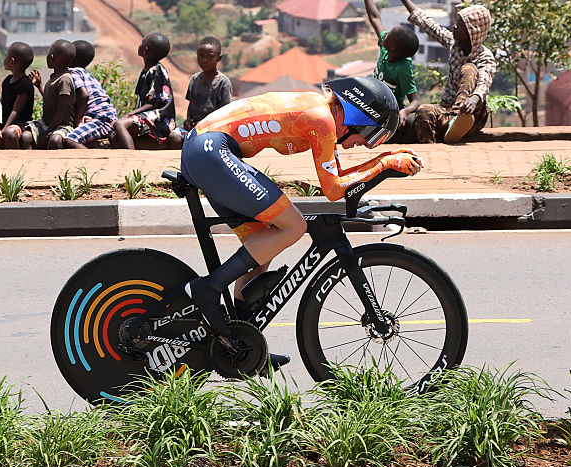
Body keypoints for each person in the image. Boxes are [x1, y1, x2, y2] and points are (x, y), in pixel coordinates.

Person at [180, 76, 423, 357]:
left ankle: (241, 341)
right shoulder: (321, 119)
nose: (364, 144)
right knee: (293, 226)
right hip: (210, 151)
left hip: (207, 150)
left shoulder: (323, 113)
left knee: (264, 242)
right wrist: (384, 163)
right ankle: (207, 288)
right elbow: (333, 190)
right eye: (369, 134)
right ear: (357, 113)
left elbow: (339, 178)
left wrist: (387, 160)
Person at [387, 0, 496, 144]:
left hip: (472, 113)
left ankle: (458, 120)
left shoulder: (485, 57)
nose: (453, 26)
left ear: (471, 31)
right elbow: (427, 23)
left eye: (459, 25)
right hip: (447, 109)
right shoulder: (453, 43)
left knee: (468, 69)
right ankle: (431, 153)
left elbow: (484, 83)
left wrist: (473, 101)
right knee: (423, 111)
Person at [354, 0, 421, 138]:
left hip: (386, 114)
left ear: (395, 51)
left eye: (388, 36)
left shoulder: (403, 68)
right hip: (369, 103)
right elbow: (375, 17)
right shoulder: (386, 49)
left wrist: (404, 112)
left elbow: (415, 101)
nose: (384, 35)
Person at [110, 32, 175, 149]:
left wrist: (130, 114)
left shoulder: (156, 70)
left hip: (159, 118)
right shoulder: (147, 70)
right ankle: (121, 161)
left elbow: (156, 102)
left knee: (119, 124)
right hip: (147, 116)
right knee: (113, 136)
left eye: (142, 43)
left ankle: (131, 157)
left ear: (145, 49)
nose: (139, 45)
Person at [171, 35, 232, 149]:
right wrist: (188, 121)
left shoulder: (223, 83)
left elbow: (225, 114)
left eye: (210, 57)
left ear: (219, 58)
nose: (205, 60)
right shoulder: (195, 79)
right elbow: (191, 104)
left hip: (213, 130)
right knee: (174, 138)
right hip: (193, 128)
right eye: (201, 56)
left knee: (201, 143)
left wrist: (205, 125)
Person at [55, 40, 118, 149]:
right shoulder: (87, 74)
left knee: (70, 140)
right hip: (105, 116)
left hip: (101, 120)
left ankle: (90, 161)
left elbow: (84, 96)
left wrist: (76, 121)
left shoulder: (73, 72)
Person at [20, 40, 75, 149]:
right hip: (46, 123)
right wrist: (39, 86)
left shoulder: (65, 79)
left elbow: (62, 111)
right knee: (25, 137)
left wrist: (49, 131)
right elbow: (50, 100)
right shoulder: (55, 77)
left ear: (52, 58)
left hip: (61, 125)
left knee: (55, 140)